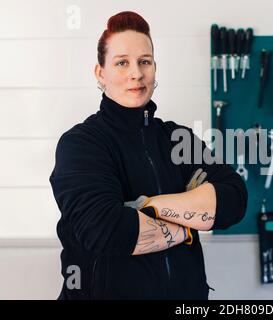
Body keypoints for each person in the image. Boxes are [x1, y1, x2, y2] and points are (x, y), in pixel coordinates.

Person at [49, 11, 248, 300]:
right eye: (122, 63)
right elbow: (105, 230)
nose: (136, 73)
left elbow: (234, 200)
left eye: (145, 61)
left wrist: (147, 205)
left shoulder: (177, 139)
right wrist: (189, 224)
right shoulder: (81, 145)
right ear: (100, 73)